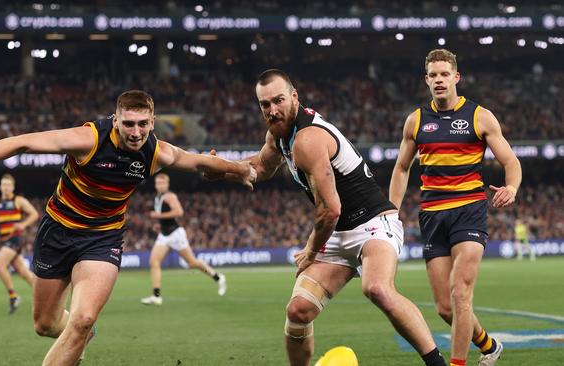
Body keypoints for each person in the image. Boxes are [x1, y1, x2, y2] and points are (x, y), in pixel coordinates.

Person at [0, 90, 256, 366]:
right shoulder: (88, 139)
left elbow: (198, 161)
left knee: (83, 318)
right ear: (115, 120)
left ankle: (81, 331)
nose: (135, 132)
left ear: (152, 123)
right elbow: (23, 144)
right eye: (128, 123)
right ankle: (81, 335)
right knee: (45, 324)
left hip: (103, 239)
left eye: (143, 124)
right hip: (57, 231)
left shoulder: (156, 152)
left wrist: (238, 170)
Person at [236, 69, 447, 366]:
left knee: (377, 288)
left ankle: (437, 364)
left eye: (279, 100)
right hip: (337, 233)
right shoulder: (278, 135)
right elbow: (261, 166)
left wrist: (310, 251)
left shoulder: (308, 138)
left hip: (373, 223)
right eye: (265, 105)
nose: (272, 110)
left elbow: (329, 210)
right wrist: (223, 167)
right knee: (298, 310)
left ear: (294, 97)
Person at [390, 49, 522, 366]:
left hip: (469, 209)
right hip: (432, 214)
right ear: (427, 80)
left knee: (460, 293)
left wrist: (511, 187)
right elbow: (401, 169)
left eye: (444, 74)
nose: (439, 80)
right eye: (433, 75)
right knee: (445, 308)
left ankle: (458, 363)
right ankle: (489, 346)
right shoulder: (416, 120)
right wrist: (391, 213)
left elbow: (510, 161)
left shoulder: (480, 116)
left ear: (456, 77)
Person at [141, 172, 226, 306]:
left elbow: (179, 212)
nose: (160, 185)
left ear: (167, 184)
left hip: (175, 234)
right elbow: (167, 217)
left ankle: (218, 277)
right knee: (154, 262)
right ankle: (156, 296)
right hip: (164, 234)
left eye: (162, 183)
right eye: (158, 183)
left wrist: (158, 216)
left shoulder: (170, 196)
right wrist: (159, 225)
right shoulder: (158, 198)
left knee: (192, 263)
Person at [0, 173, 39, 314]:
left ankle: (13, 296)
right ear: (0, 187)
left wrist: (23, 224)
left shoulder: (19, 200)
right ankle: (44, 295)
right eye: (3, 185)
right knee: (24, 273)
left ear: (13, 187)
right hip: (4, 240)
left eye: (8, 185)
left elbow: (34, 214)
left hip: (15, 239)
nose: (6, 187)